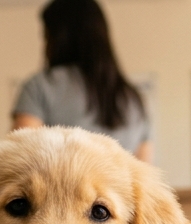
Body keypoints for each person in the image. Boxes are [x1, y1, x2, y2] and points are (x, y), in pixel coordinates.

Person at [13, 0, 152, 162]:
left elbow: (22, 160)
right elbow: (144, 168)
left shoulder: (39, 87)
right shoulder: (134, 98)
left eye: (46, 36)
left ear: (56, 38)